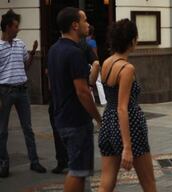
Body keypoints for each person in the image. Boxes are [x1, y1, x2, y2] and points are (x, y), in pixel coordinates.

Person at [98, 19, 156, 192]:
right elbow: (122, 107)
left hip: (108, 123)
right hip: (129, 127)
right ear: (132, 41)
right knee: (148, 182)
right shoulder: (127, 68)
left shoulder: (107, 62)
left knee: (106, 181)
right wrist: (127, 147)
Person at [47, 7, 102, 191]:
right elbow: (83, 92)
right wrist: (98, 118)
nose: (88, 24)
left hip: (61, 118)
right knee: (78, 172)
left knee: (80, 171)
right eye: (85, 20)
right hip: (76, 121)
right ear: (74, 25)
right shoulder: (74, 53)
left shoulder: (54, 50)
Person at [0, 9, 46, 178]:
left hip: (22, 90)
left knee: (28, 128)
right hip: (5, 91)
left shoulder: (20, 44)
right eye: (15, 26)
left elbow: (26, 65)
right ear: (7, 27)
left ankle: (34, 161)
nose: (18, 29)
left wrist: (33, 52)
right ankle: (4, 164)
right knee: (2, 131)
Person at [86, 25, 106, 105]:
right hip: (93, 63)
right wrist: (98, 64)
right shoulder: (92, 42)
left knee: (88, 83)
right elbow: (95, 54)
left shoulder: (82, 41)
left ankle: (92, 101)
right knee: (98, 82)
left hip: (86, 64)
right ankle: (103, 101)